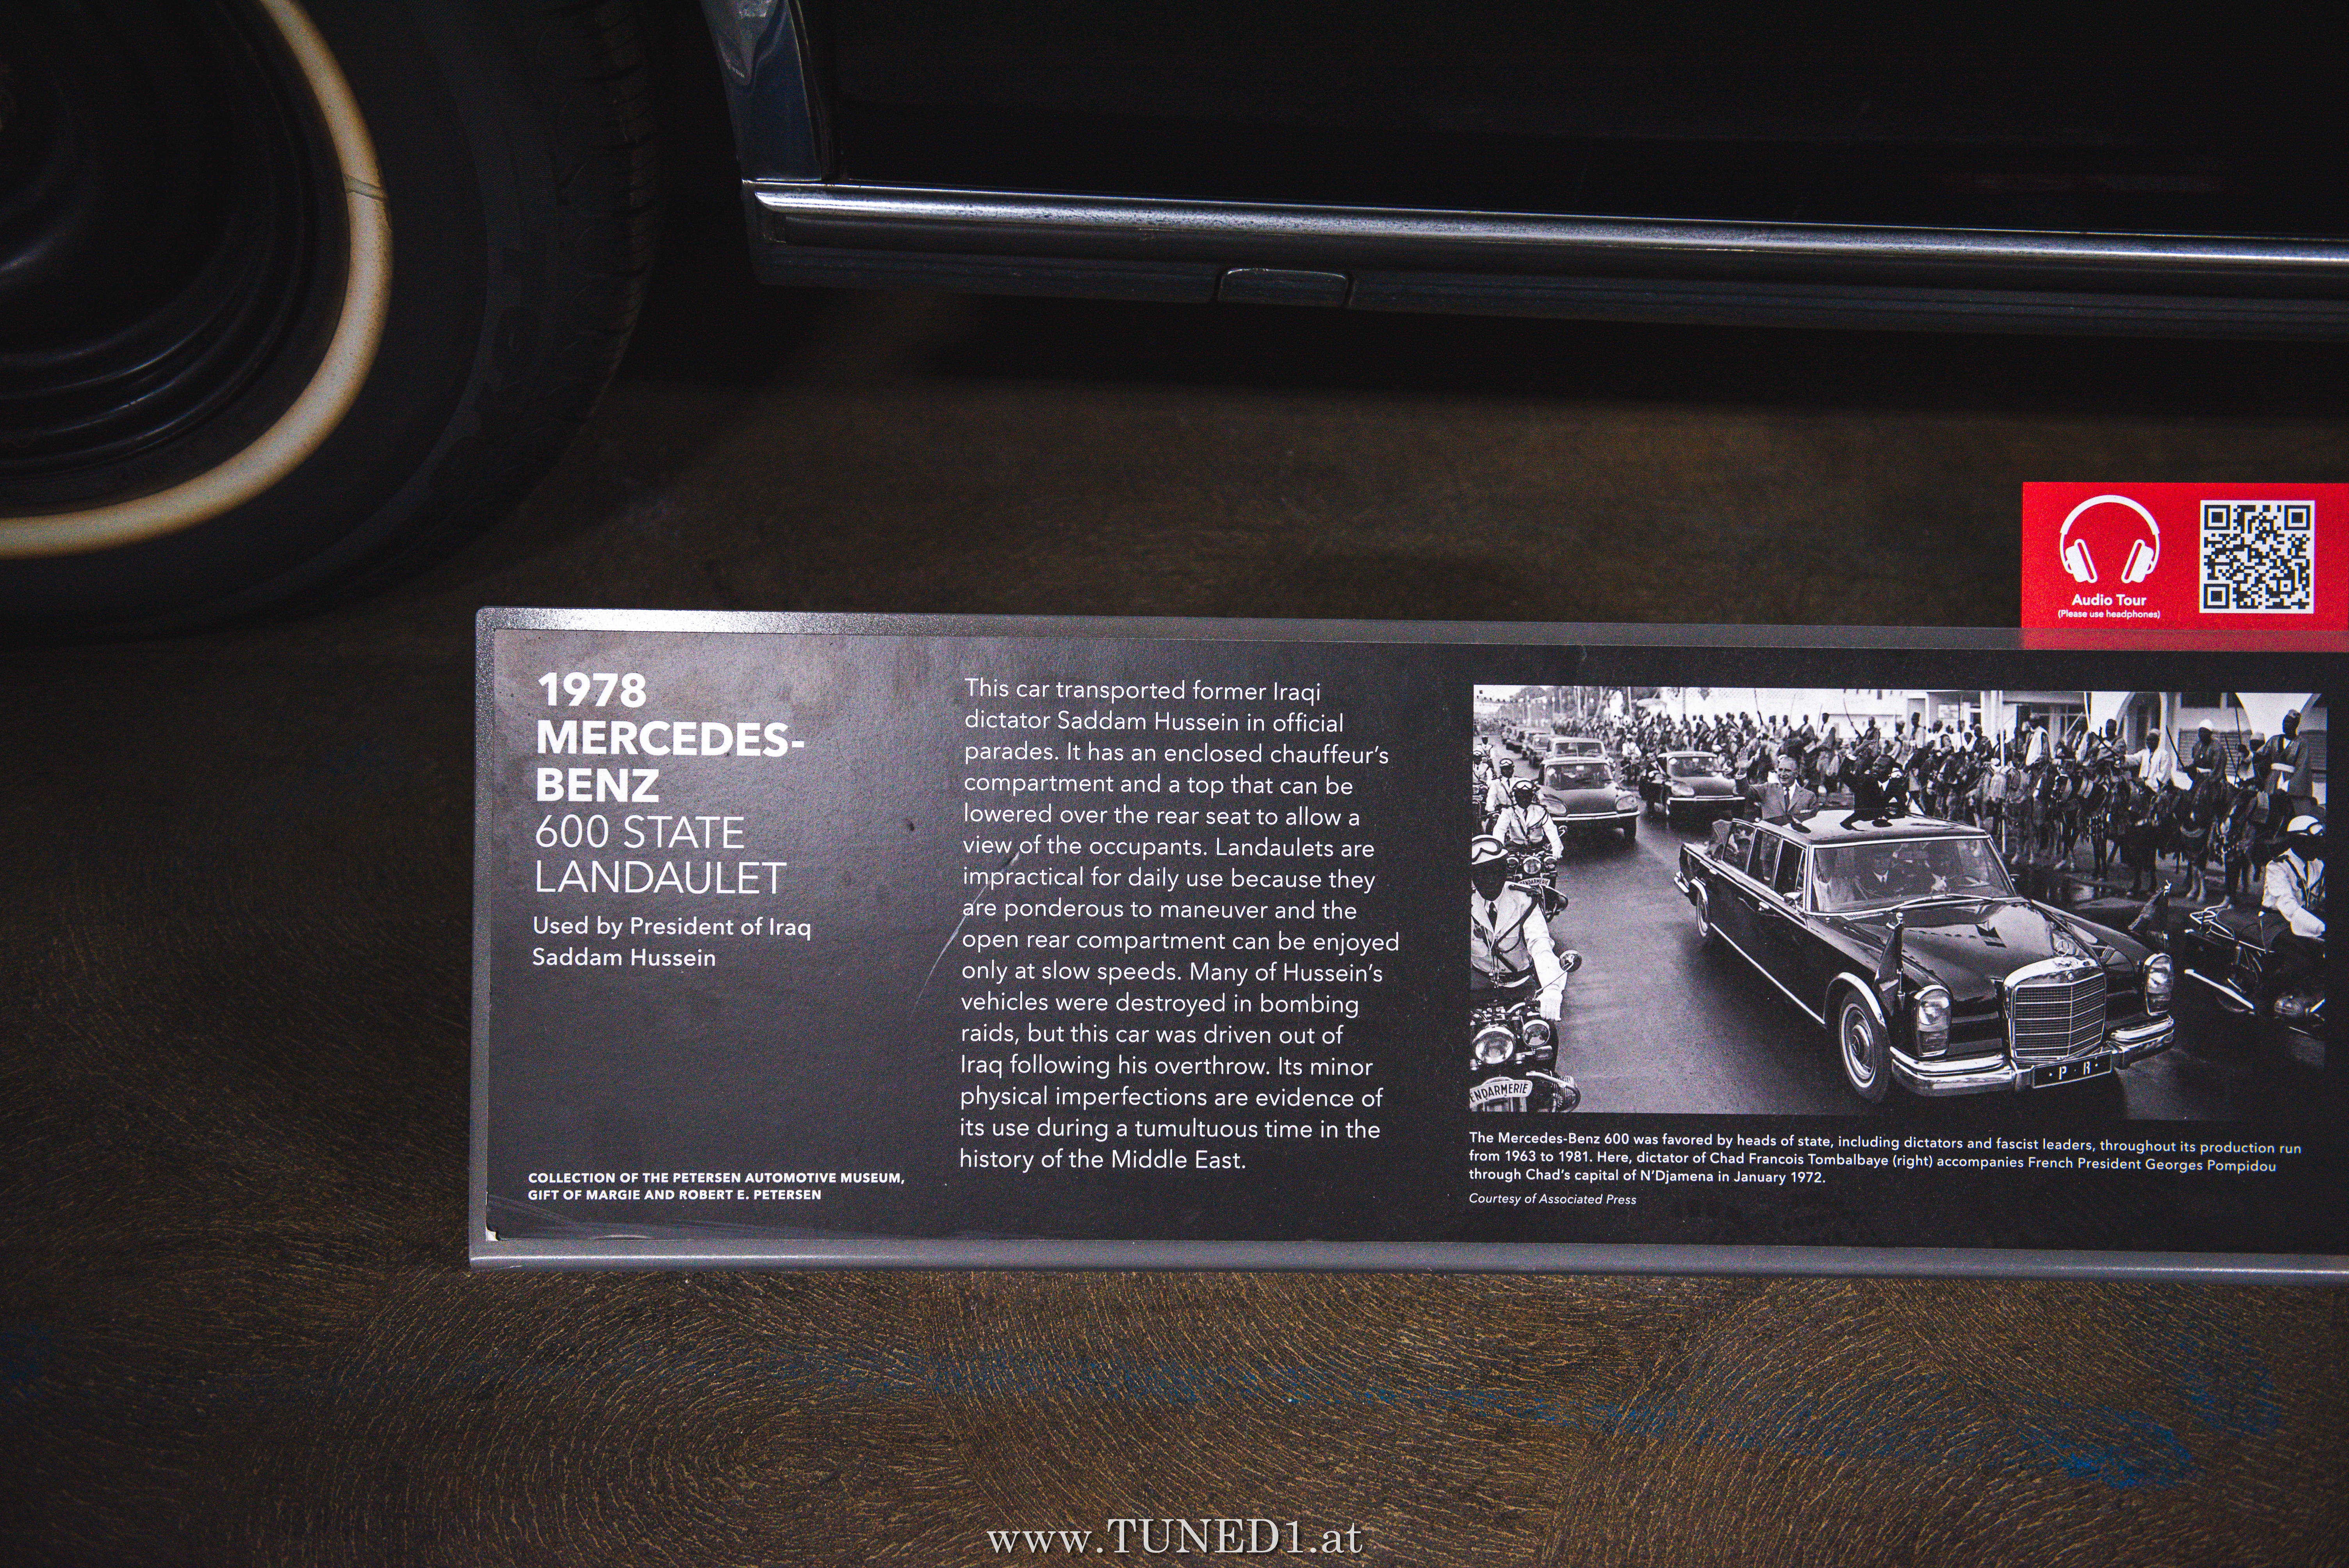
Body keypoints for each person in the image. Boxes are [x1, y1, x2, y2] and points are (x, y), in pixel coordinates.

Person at [1470, 836, 1574, 1020]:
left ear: (1505, 871)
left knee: (1543, 1030)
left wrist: (1552, 989)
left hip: (1519, 985)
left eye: (1495, 871)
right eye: (1481, 874)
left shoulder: (1525, 899)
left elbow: (1540, 945)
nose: (1489, 880)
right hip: (1478, 985)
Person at [2261, 815, 2325, 1013]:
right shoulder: (2278, 866)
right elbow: (2288, 906)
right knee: (2302, 963)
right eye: (2313, 843)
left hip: (2305, 917)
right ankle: (2264, 1000)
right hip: (2277, 920)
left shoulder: (2317, 865)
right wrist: (2320, 927)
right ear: (2298, 841)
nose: (2317, 847)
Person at [1494, 779, 1563, 862]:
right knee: (1509, 866)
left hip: (1538, 848)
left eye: (1528, 796)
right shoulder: (1509, 812)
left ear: (1532, 797)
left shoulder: (1541, 811)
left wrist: (1556, 846)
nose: (1524, 800)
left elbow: (1550, 829)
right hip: (1516, 848)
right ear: (1516, 797)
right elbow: (1500, 830)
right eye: (1521, 796)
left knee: (1549, 865)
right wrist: (1499, 850)